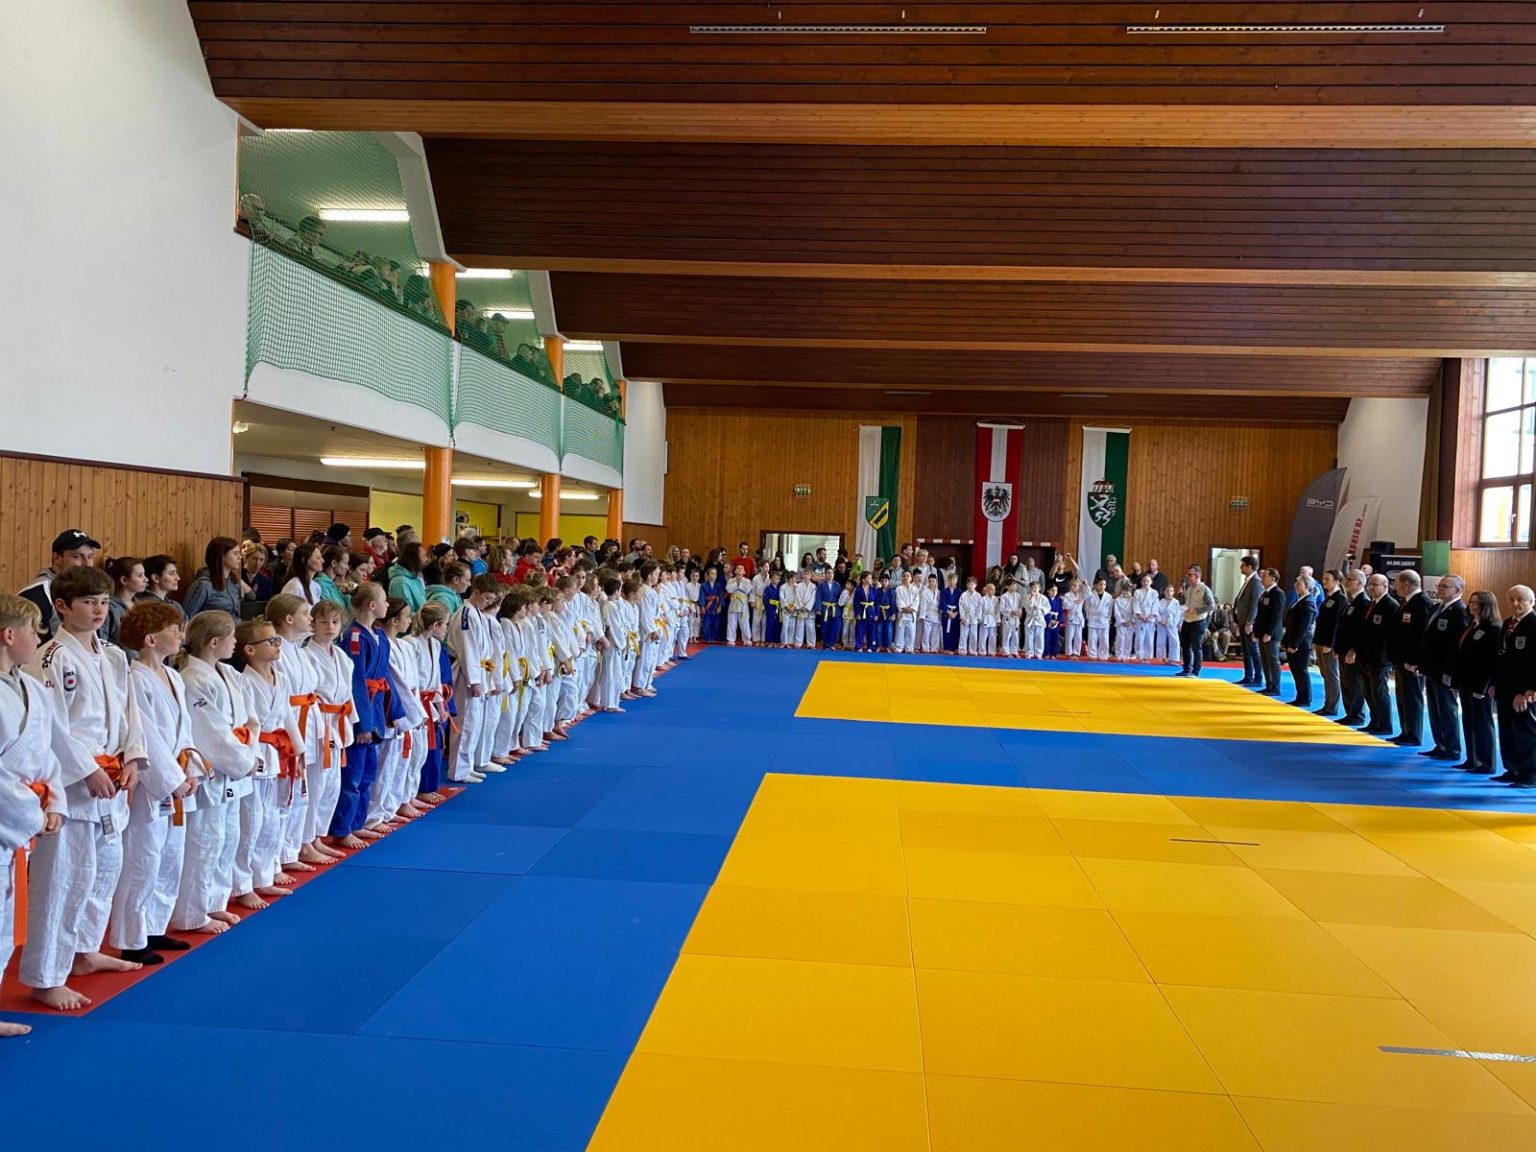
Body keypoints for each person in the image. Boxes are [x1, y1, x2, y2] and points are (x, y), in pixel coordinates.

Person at [21, 566, 146, 1010]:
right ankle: (45, 977)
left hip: (112, 777)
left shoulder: (113, 655)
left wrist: (134, 757)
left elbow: (131, 712)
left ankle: (84, 951)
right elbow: (50, 725)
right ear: (61, 606)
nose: (98, 610)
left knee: (103, 872)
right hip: (72, 785)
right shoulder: (50, 657)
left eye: (103, 602)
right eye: (88, 602)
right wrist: (84, 770)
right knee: (63, 880)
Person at [109, 601, 199, 966]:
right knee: (143, 858)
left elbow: (184, 730)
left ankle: (155, 925)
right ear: (150, 639)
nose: (180, 635)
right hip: (150, 782)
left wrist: (191, 768)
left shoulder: (173, 676)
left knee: (170, 855)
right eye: (174, 630)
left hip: (177, 776)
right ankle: (131, 938)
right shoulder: (134, 677)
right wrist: (172, 779)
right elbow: (145, 735)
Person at [0, 594, 69, 1038]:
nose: (39, 638)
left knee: (3, 922)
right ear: (9, 635)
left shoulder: (30, 688)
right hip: (11, 813)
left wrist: (54, 802)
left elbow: (47, 756)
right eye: (34, 630)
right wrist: (31, 814)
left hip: (18, 820)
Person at [169, 612, 251, 937]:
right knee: (204, 842)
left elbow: (248, 721)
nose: (235, 642)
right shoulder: (193, 679)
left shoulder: (228, 672)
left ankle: (215, 900)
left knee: (227, 837)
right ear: (215, 642)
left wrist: (248, 753)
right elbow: (211, 732)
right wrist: (243, 760)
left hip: (232, 762)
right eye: (232, 637)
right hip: (209, 769)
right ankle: (192, 913)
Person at [1420, 575, 1470, 762]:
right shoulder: (1436, 608)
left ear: (1457, 591)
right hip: (1431, 668)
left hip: (1445, 671)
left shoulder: (1460, 611)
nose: (1440, 589)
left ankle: (1452, 748)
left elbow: (1457, 646)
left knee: (1447, 709)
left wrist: (1450, 671)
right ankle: (1440, 744)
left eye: (1445, 586)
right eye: (1439, 585)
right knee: (1435, 708)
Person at [1453, 590, 1501, 775]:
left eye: (1476, 603)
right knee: (1469, 721)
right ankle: (1472, 758)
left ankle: (1486, 762)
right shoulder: (1472, 624)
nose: (1471, 606)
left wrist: (1483, 687)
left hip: (1480, 684)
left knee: (1482, 723)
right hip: (1466, 681)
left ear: (1486, 606)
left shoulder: (1493, 628)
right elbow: (1462, 655)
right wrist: (1456, 682)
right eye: (1471, 602)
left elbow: (1491, 662)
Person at [19, 528, 100, 639]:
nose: (86, 563)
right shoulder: (36, 594)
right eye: (77, 556)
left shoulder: (87, 590)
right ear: (57, 558)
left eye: (90, 557)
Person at [1493, 584, 1536, 787]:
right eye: (1511, 600)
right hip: (1505, 687)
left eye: (1520, 599)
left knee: (1525, 731)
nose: (1515, 603)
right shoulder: (1508, 623)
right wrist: (1494, 684)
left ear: (1532, 602)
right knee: (1507, 729)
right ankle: (1513, 768)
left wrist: (1528, 689)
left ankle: (1530, 774)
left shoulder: (1533, 623)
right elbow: (1501, 657)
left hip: (1523, 690)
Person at [1387, 570, 1431, 747]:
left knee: (1412, 698)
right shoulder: (1406, 602)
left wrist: (1414, 661)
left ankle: (1414, 734)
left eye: (1396, 583)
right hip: (1401, 659)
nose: (1394, 586)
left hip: (1411, 662)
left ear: (1406, 584)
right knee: (1403, 698)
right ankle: (1405, 731)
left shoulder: (1422, 603)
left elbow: (1421, 635)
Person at [1357, 572, 1399, 736]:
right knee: (1368, 691)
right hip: (1366, 655)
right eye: (1370, 584)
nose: (1370, 588)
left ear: (1385, 586)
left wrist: (1387, 656)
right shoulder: (1371, 603)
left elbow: (1391, 635)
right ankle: (1374, 721)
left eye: (1375, 585)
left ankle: (1385, 724)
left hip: (1380, 658)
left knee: (1380, 692)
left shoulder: (1390, 605)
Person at [1335, 570, 1371, 727]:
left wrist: (1354, 649)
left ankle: (1357, 714)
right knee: (1346, 682)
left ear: (1360, 583)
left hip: (1352, 650)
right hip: (1344, 648)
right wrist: (1338, 647)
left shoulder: (1363, 602)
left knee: (1355, 683)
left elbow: (1361, 630)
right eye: (1347, 578)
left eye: (1351, 579)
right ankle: (1349, 711)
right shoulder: (1352, 601)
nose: (1347, 582)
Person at [181, 537, 244, 620]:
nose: (240, 557)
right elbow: (186, 617)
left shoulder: (234, 583)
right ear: (221, 555)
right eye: (235, 553)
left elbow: (237, 615)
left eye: (239, 553)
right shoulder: (204, 585)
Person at [1311, 570, 1347, 715]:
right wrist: (1316, 641)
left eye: (1328, 579)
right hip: (1321, 641)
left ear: (1337, 582)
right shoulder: (1328, 598)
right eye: (1324, 579)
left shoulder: (1340, 599)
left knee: (1332, 675)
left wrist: (1330, 644)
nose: (1324, 581)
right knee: (1325, 674)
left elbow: (1336, 623)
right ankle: (1327, 704)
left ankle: (1332, 706)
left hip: (1328, 643)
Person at [1282, 574, 1318, 707]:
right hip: (1293, 640)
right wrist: (1286, 641)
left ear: (1307, 586)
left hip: (1301, 643)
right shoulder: (1299, 600)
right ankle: (1300, 696)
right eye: (1296, 582)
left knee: (1301, 670)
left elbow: (1303, 626)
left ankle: (1305, 698)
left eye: (1299, 583)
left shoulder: (1308, 602)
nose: (1296, 585)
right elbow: (1290, 623)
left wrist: (1295, 644)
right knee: (1295, 670)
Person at [1177, 565, 1214, 677]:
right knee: (1185, 646)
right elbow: (1183, 602)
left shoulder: (1204, 589)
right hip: (1187, 620)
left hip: (1198, 621)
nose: (1187, 577)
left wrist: (1196, 610)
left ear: (1197, 576)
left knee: (1196, 647)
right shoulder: (1189, 589)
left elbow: (1211, 605)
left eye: (1190, 575)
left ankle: (1196, 671)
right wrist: (1180, 595)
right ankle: (1186, 669)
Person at [1254, 568, 1285, 696]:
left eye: (1265, 575)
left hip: (1271, 634)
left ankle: (1275, 687)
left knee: (1273, 660)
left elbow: (1276, 616)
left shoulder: (1278, 593)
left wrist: (1269, 632)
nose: (1262, 577)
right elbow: (1260, 615)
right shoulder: (1265, 594)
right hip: (1262, 633)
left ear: (1273, 578)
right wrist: (1256, 632)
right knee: (1265, 660)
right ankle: (1269, 685)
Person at [1232, 555, 1263, 687]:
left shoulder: (1256, 582)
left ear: (1249, 567)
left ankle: (1257, 678)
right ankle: (1248, 676)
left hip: (1248, 622)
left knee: (1253, 650)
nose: (1240, 568)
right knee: (1246, 651)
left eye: (1242, 565)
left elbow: (1255, 603)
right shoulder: (1248, 581)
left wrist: (1250, 621)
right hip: (1242, 620)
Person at [103, 556, 146, 646]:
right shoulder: (109, 608)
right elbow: (102, 641)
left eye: (144, 575)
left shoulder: (141, 605)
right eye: (140, 576)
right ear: (124, 580)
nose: (146, 579)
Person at [280, 541, 326, 608]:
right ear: (304, 559)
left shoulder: (316, 586)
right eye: (318, 558)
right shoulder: (295, 586)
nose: (323, 561)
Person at [1133, 574, 1160, 662]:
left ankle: (1147, 657)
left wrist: (1151, 616)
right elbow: (1136, 605)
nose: (1146, 583)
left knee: (1149, 638)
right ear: (1141, 582)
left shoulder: (1154, 593)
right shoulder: (1137, 592)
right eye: (1144, 581)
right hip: (1140, 619)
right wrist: (1140, 616)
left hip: (1150, 619)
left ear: (1151, 582)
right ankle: (1139, 657)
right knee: (1139, 638)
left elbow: (1155, 606)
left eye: (1148, 581)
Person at [725, 564, 753, 646]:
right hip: (733, 603)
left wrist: (739, 584)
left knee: (745, 622)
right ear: (735, 571)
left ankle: (747, 639)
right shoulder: (731, 580)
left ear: (744, 572)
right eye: (738, 568)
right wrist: (736, 582)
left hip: (743, 604)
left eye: (741, 569)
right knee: (732, 622)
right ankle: (730, 639)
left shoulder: (747, 581)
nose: (740, 570)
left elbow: (747, 590)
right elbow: (729, 589)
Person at [1112, 578, 1137, 661]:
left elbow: (1135, 611)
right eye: (1125, 589)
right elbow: (1116, 612)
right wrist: (1122, 621)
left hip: (1130, 623)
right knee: (1120, 639)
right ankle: (1119, 655)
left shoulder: (1133, 600)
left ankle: (1126, 655)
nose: (1126, 591)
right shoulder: (1118, 600)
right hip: (1121, 623)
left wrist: (1131, 620)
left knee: (1128, 639)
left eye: (1128, 589)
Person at [1023, 581, 1049, 660]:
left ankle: (1038, 653)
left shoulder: (1043, 598)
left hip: (1039, 620)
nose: (1033, 589)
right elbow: (1025, 607)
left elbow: (1048, 608)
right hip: (1030, 620)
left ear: (1039, 588)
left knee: (1039, 638)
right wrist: (1031, 599)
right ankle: (1028, 653)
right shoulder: (1027, 597)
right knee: (1029, 637)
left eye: (1035, 587)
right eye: (1032, 588)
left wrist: (1040, 608)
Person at [958, 576, 982, 656]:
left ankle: (973, 650)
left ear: (975, 585)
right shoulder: (963, 595)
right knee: (963, 634)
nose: (969, 586)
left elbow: (979, 608)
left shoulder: (978, 595)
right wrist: (962, 617)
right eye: (968, 584)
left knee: (973, 635)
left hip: (974, 616)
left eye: (971, 584)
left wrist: (978, 617)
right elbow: (961, 606)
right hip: (965, 616)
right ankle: (962, 650)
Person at [998, 579, 1022, 658]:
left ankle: (1014, 651)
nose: (1014, 587)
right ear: (1008, 586)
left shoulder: (1018, 595)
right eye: (1012, 585)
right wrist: (1011, 611)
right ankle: (1006, 652)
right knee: (1007, 635)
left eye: (1015, 585)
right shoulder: (1004, 596)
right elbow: (1001, 608)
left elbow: (1020, 606)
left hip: (1016, 618)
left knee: (1015, 635)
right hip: (1008, 618)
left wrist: (1019, 611)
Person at [939, 572, 962, 654]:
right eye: (950, 580)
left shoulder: (959, 592)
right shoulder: (944, 591)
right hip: (947, 613)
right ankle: (947, 648)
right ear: (947, 581)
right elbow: (942, 602)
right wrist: (948, 612)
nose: (952, 582)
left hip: (956, 614)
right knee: (946, 630)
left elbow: (961, 604)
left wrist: (955, 613)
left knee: (955, 630)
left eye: (953, 580)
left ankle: (955, 647)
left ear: (956, 581)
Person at [918, 574, 941, 653]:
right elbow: (923, 605)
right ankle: (925, 647)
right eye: (930, 581)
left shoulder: (938, 592)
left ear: (936, 582)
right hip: (928, 613)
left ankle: (934, 648)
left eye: (933, 581)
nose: (931, 583)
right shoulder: (924, 592)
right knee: (926, 632)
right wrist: (922, 615)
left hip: (936, 614)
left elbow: (940, 604)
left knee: (935, 632)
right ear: (928, 582)